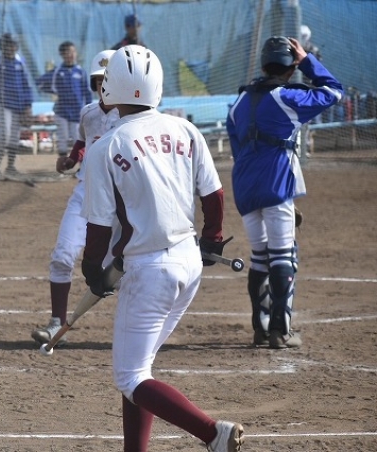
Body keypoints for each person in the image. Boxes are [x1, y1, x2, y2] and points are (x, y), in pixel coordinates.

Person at [81, 45, 244, 452]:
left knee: (131, 376)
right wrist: (212, 238)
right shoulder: (185, 129)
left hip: (149, 270)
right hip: (189, 262)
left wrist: (92, 272)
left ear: (109, 88)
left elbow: (98, 227)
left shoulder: (105, 147)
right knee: (139, 370)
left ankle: (213, 433)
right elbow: (213, 195)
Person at [226, 36, 343, 349]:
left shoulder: (239, 100)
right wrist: (307, 61)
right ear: (291, 68)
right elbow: (334, 91)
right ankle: (280, 329)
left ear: (264, 65)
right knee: (283, 255)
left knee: (259, 256)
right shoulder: (287, 96)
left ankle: (260, 328)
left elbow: (237, 146)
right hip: (275, 182)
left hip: (245, 185)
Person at [31, 49, 120, 346]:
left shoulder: (131, 117)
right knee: (62, 256)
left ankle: (138, 329)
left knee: (121, 269)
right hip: (86, 191)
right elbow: (83, 141)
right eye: (99, 81)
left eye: (108, 80)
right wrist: (71, 160)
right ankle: (56, 324)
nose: (103, 86)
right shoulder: (88, 113)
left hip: (119, 198)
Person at [0, 33, 34, 175]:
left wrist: (28, 105)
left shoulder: (20, 62)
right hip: (3, 104)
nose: (11, 48)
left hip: (18, 104)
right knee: (4, 134)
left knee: (14, 136)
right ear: (2, 47)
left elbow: (27, 85)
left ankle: (10, 166)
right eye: (7, 45)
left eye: (13, 45)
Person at [36, 41, 93, 157]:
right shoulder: (57, 71)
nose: (71, 54)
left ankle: (81, 163)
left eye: (73, 51)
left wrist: (88, 109)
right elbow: (40, 83)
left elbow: (87, 92)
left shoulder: (81, 72)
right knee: (63, 138)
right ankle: (62, 163)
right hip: (61, 112)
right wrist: (53, 90)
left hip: (77, 112)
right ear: (62, 54)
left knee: (78, 138)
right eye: (68, 52)